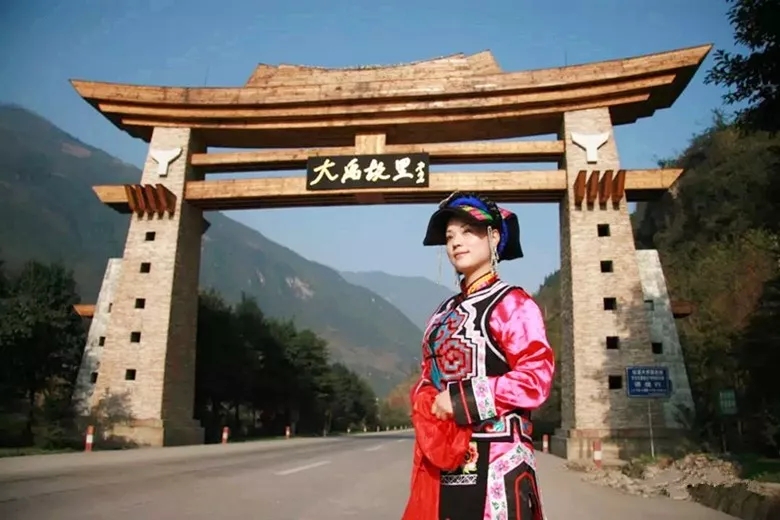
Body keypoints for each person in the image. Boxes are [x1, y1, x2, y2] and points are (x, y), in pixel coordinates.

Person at [402, 191, 555, 520]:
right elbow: (428, 375)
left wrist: (460, 400)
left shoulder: (512, 304)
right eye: (449, 236)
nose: (456, 242)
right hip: (446, 458)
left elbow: (535, 379)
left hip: (498, 458)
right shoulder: (441, 314)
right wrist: (426, 398)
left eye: (468, 231)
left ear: (494, 237)